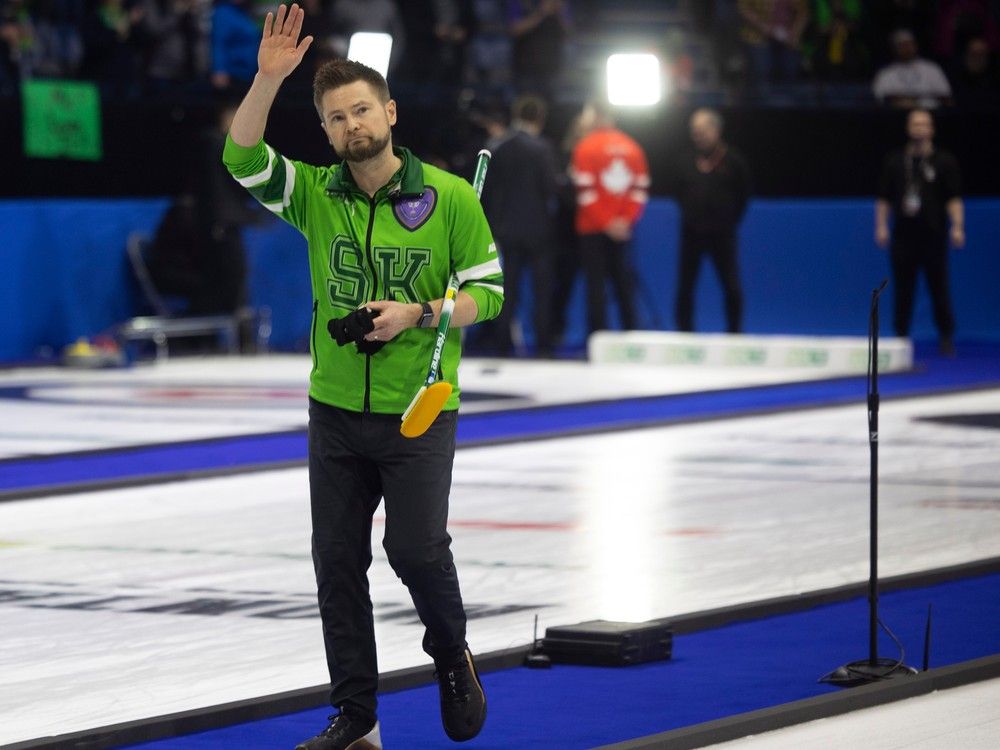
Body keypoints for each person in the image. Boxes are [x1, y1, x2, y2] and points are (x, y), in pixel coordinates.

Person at [222, 5, 503, 748]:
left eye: (361, 110)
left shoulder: (451, 197)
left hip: (418, 412)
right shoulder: (316, 195)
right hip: (337, 410)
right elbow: (242, 159)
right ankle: (358, 717)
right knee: (336, 565)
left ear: (390, 112)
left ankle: (451, 655)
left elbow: (491, 293)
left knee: (413, 551)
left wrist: (422, 313)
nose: (351, 125)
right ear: (325, 131)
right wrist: (267, 78)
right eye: (336, 118)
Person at [875, 108, 964, 355]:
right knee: (903, 290)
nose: (920, 128)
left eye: (925, 124)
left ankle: (946, 335)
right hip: (903, 236)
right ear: (908, 128)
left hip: (933, 236)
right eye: (915, 124)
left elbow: (953, 198)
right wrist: (881, 226)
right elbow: (883, 198)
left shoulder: (944, 161)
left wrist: (957, 226)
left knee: (939, 288)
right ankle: (901, 338)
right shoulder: (895, 161)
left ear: (932, 129)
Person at [479, 94, 559, 355]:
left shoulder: (499, 146)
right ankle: (544, 346)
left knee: (507, 288)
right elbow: (550, 188)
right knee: (542, 289)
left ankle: (503, 344)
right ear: (540, 118)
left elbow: (486, 189)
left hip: (506, 229)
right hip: (537, 230)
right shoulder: (542, 148)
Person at [570, 98, 649, 335]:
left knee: (596, 286)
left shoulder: (585, 147)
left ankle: (598, 338)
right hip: (622, 230)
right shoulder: (633, 147)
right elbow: (640, 189)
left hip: (593, 230)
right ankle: (631, 336)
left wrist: (605, 223)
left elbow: (585, 192)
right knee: (623, 284)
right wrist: (625, 220)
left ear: (595, 116)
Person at [673, 108, 751, 334]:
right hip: (691, 233)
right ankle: (685, 333)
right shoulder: (685, 161)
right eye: (694, 131)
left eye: (702, 130)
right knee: (685, 286)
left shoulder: (734, 161)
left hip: (722, 234)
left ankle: (734, 333)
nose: (698, 134)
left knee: (731, 285)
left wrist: (727, 220)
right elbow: (677, 192)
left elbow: (743, 195)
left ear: (716, 130)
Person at [872, 28, 952, 108]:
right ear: (894, 48)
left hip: (930, 113)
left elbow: (946, 96)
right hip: (896, 115)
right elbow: (880, 99)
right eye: (902, 45)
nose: (907, 49)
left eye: (909, 44)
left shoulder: (932, 69)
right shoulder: (886, 73)